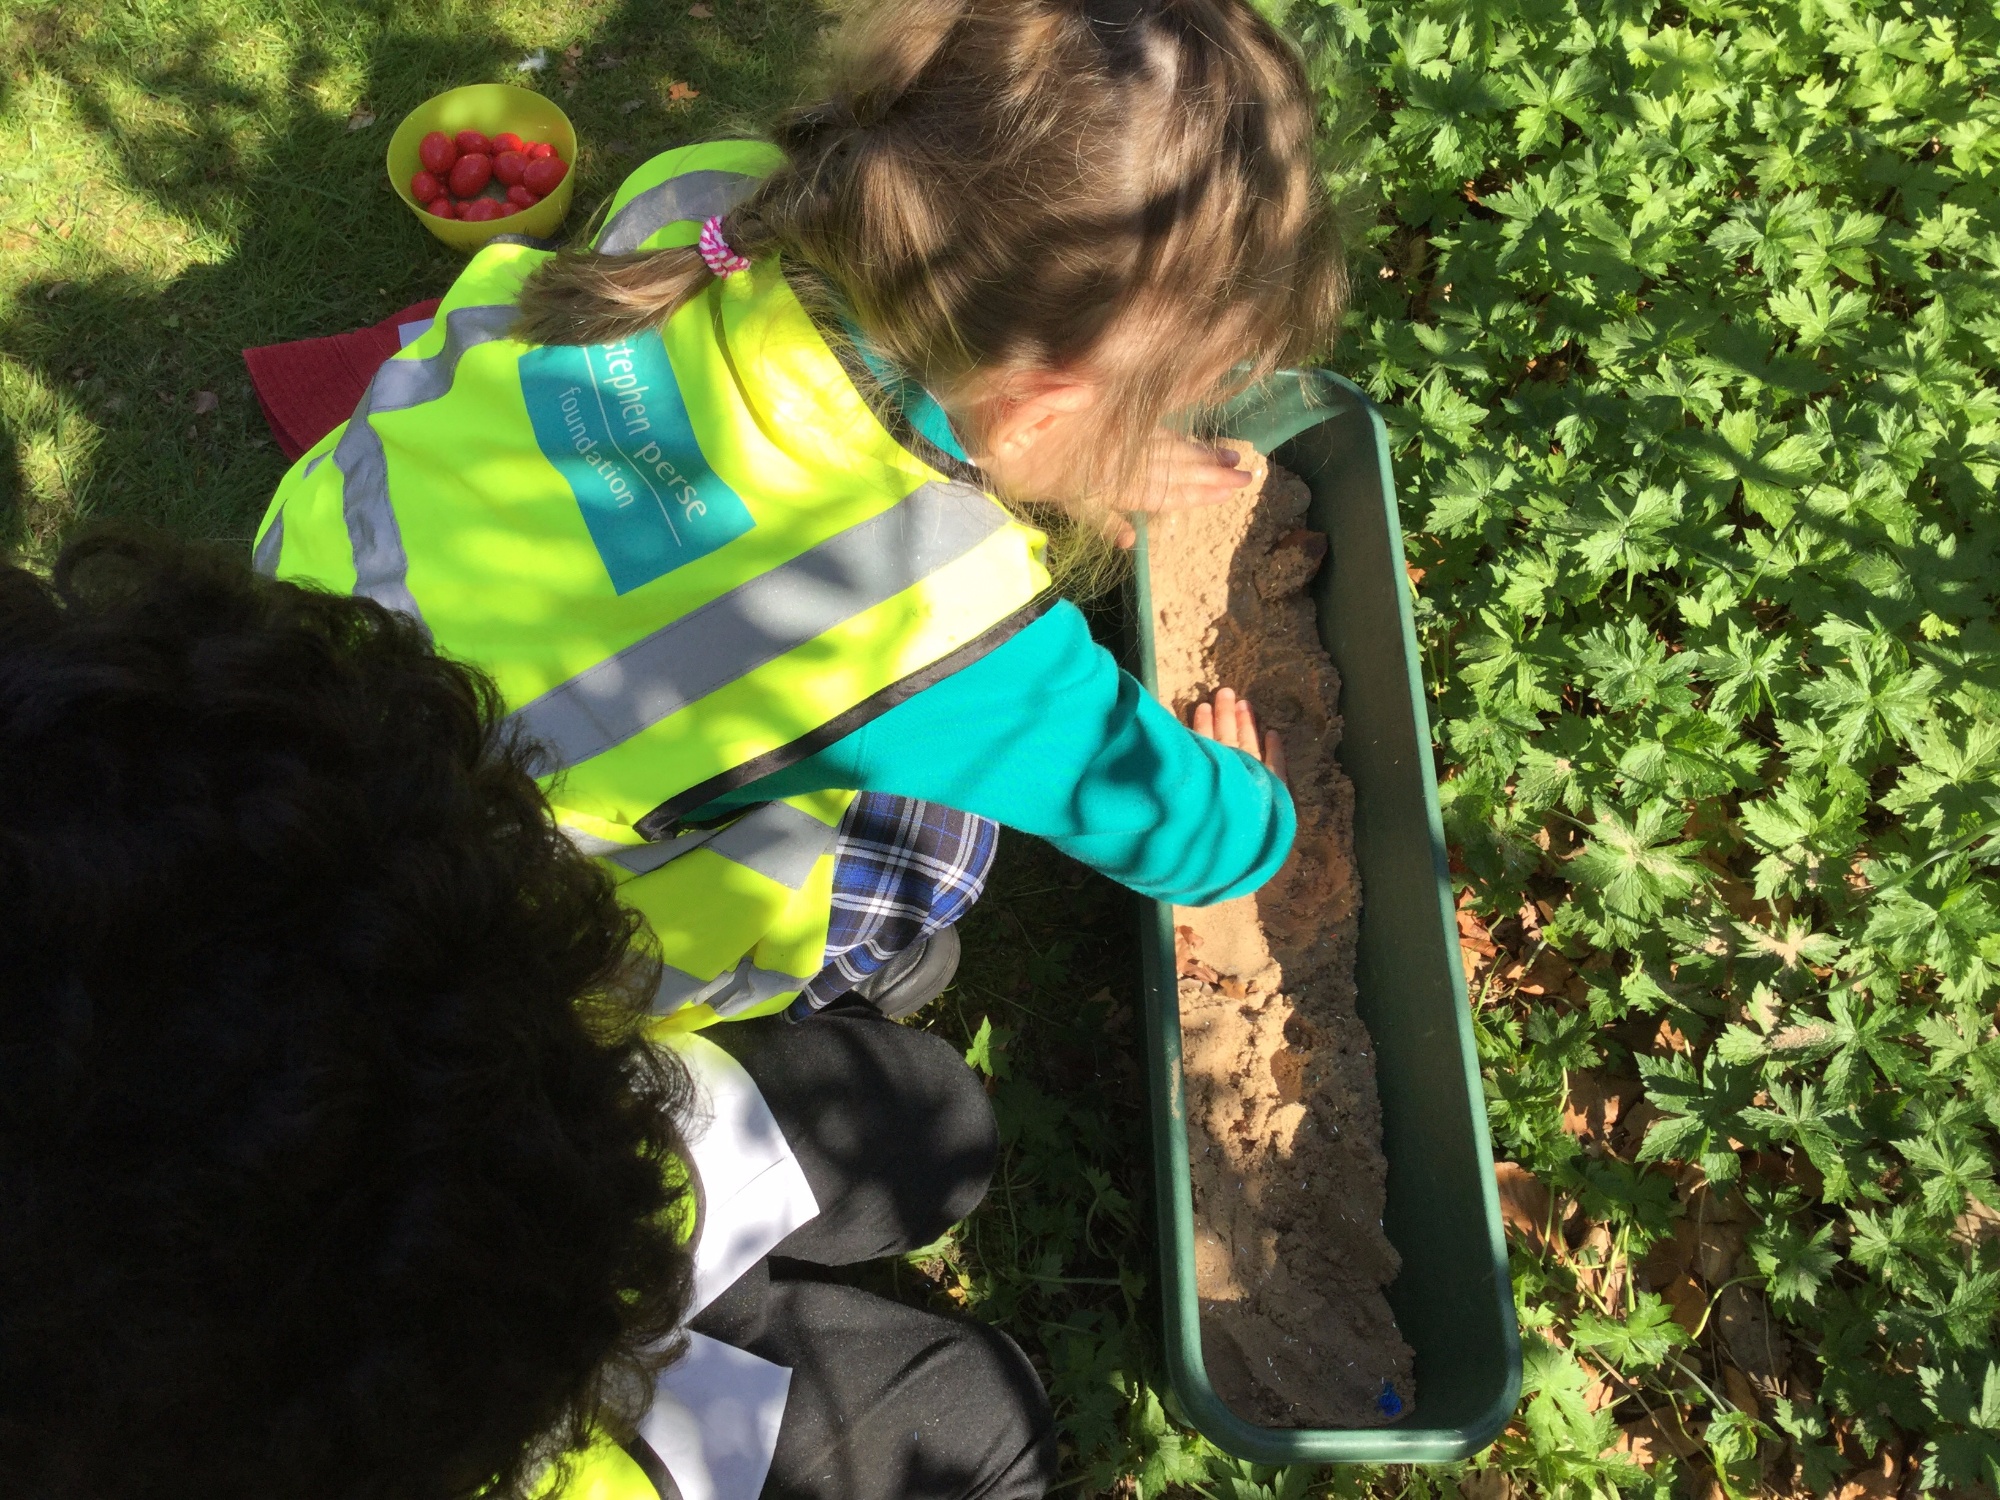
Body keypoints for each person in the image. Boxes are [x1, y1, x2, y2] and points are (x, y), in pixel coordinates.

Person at [252, 0, 1342, 1031]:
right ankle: (857, 971)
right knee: (944, 849)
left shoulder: (704, 200)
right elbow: (1181, 832)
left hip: (280, 646)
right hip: (461, 922)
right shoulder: (942, 620)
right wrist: (1255, 814)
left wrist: (1063, 446)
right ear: (1034, 408)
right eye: (1135, 410)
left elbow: (827, 414)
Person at [0, 532, 1052, 1500]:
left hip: (512, 1265)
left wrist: (568, 1115)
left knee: (937, 1121)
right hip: (543, 1423)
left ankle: (699, 1285)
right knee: (983, 1414)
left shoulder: (164, 936)